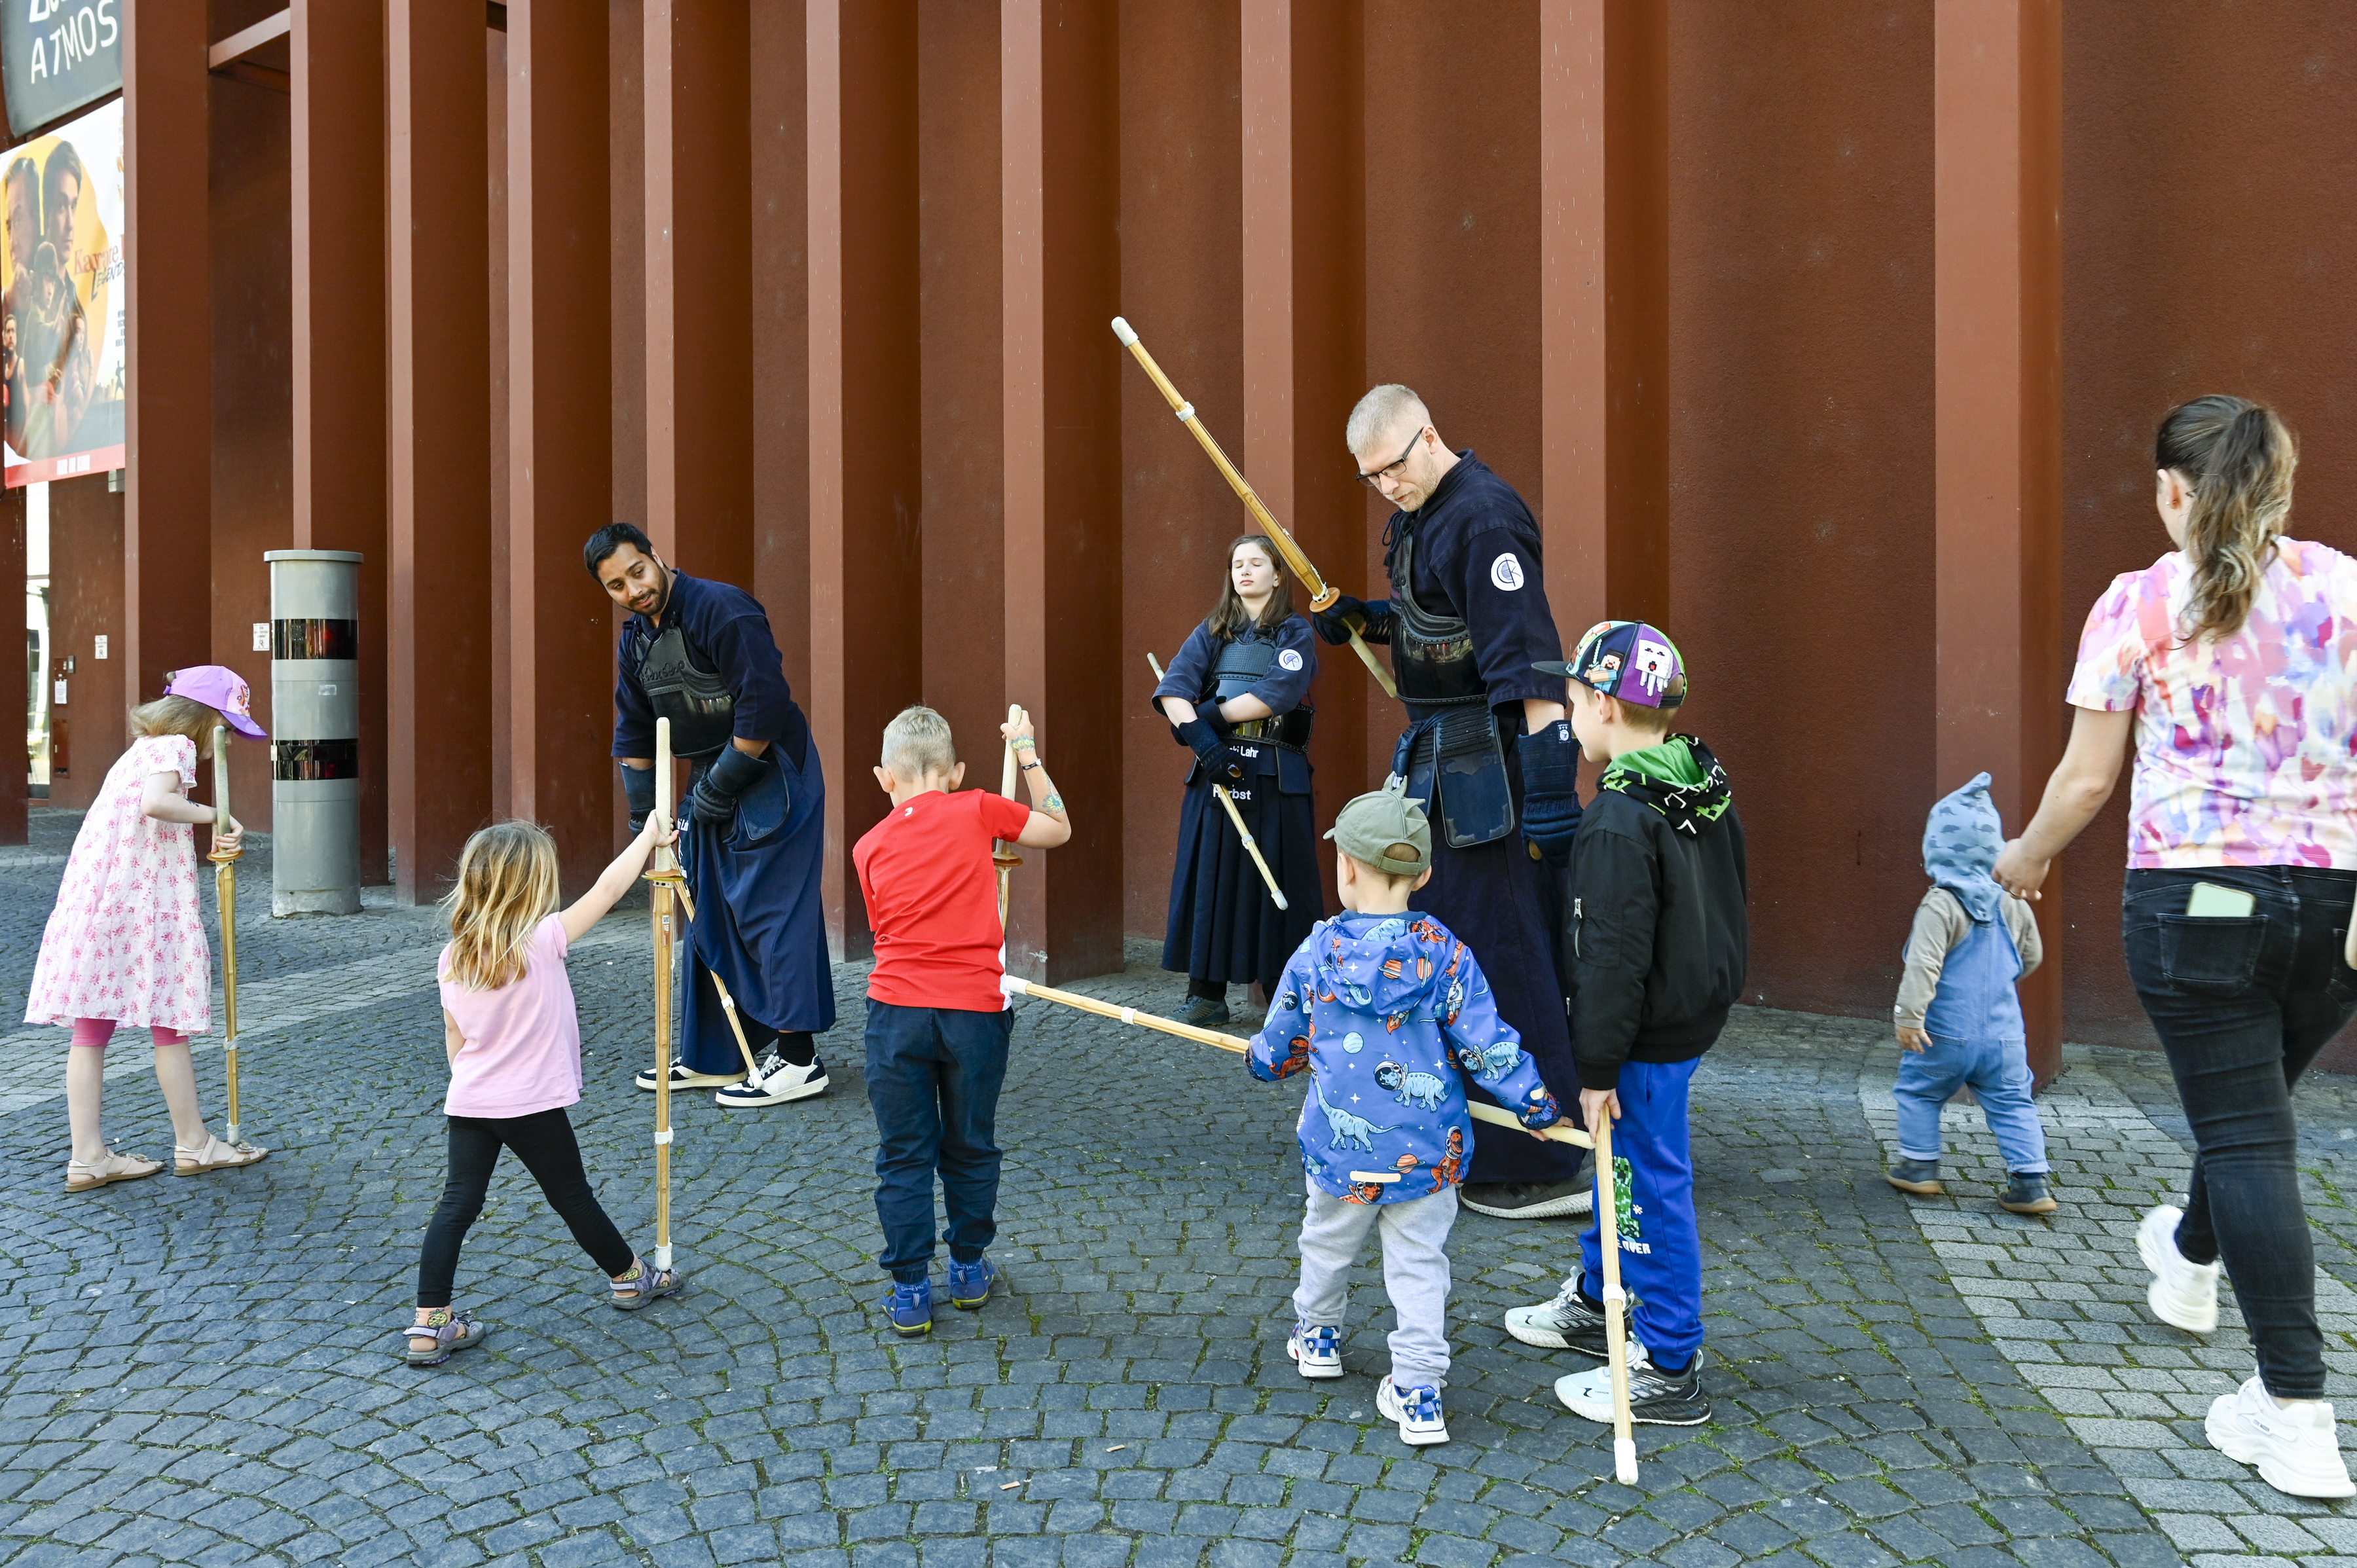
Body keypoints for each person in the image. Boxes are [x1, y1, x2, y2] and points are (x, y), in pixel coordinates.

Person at [1994, 395, 2357, 1501]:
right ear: (2282, 486)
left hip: (2198, 901)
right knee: (2252, 1112)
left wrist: (2026, 856)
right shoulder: (2344, 588)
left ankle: (2294, 1410)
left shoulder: (2139, 603)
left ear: (2170, 491)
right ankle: (2190, 1262)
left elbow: (2087, 779)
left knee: (2247, 1137)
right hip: (2335, 905)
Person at [1318, 386, 1587, 1218]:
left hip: (1492, 774)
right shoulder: (1425, 515)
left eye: (1393, 468)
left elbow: (1525, 657)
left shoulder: (1482, 518)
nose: (1386, 487)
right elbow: (1436, 622)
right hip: (1445, 763)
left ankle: (1542, 1159)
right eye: (1371, 478)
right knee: (1463, 951)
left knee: (1505, 955)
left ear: (1428, 436)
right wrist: (1367, 621)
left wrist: (1550, 787)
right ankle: (1483, 1135)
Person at [1246, 782, 1564, 1448]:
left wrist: (1263, 1059)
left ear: (1346, 868)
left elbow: (1282, 1044)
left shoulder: (1316, 953)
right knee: (1420, 1264)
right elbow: (1487, 1043)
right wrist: (1533, 1103)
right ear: (1422, 874)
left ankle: (1318, 1336)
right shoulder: (1446, 954)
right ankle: (1420, 1391)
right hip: (1428, 1153)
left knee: (1325, 1243)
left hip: (1341, 1153)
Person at [1504, 622, 1744, 1428]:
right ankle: (1596, 1297)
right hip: (1685, 1012)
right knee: (1623, 1169)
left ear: (1604, 704)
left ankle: (1670, 1363)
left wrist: (1596, 1069)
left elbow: (1609, 957)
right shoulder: (1697, 773)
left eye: (1573, 699)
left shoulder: (1615, 819)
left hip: (1642, 1035)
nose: (1569, 715)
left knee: (1646, 1182)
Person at [402, 818, 688, 1368]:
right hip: (531, 1103)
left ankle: (429, 1321)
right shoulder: (544, 939)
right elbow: (609, 888)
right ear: (533, 885)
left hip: (472, 1101)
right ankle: (629, 1276)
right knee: (571, 1195)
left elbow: (454, 1036)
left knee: (457, 1204)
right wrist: (648, 838)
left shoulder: (453, 956)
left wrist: (473, 1084)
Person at [588, 522, 835, 1110]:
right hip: (707, 776)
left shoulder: (724, 610)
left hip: (774, 770)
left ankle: (799, 1060)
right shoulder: (635, 641)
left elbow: (763, 704)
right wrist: (645, 819)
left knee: (773, 912)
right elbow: (634, 731)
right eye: (617, 585)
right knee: (709, 910)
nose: (633, 590)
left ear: (656, 555)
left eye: (638, 572)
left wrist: (722, 785)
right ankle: (716, 1054)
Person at [856, 704, 1070, 1336]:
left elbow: (881, 927)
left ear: (884, 777)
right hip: (975, 1010)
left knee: (903, 1152)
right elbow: (1058, 827)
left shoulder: (867, 846)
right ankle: (970, 1269)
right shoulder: (978, 807)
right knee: (971, 1142)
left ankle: (910, 1291)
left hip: (895, 1010)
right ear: (955, 772)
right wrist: (1026, 750)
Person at [26, 666, 272, 1190]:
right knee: (169, 1023)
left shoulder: (141, 750)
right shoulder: (176, 746)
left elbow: (149, 821)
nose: (225, 741)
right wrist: (219, 814)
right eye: (225, 727)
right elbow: (156, 803)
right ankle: (194, 1143)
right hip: (141, 905)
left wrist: (207, 825)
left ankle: (89, 1157)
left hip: (104, 900)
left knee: (91, 1031)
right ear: (203, 718)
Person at [1152, 533, 1324, 1025]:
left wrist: (1207, 717)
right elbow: (1174, 690)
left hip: (1273, 770)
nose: (1244, 572)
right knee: (1210, 874)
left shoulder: (1295, 631)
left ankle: (1286, 999)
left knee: (1278, 878)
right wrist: (1204, 742)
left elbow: (1278, 693)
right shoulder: (1212, 630)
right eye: (1237, 565)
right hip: (1218, 766)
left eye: (1256, 563)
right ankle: (1206, 994)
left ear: (1278, 574)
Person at [1886, 771, 2055, 1215]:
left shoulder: (1941, 903)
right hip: (2005, 1037)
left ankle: (1919, 1167)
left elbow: (1923, 965)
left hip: (1943, 1034)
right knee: (2013, 1102)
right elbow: (2031, 957)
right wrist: (1999, 984)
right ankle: (2030, 1182)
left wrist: (1909, 1017)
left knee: (1919, 1092)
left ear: (1936, 848)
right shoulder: (2012, 901)